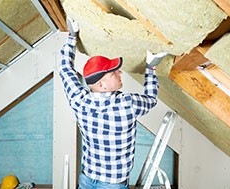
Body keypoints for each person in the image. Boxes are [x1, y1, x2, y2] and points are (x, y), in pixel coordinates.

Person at [59, 17, 168, 189]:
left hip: (86, 179)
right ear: (101, 85)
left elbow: (65, 69)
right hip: (112, 184)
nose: (120, 73)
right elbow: (151, 99)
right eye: (113, 73)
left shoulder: (79, 101)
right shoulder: (128, 104)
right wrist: (151, 68)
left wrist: (72, 35)